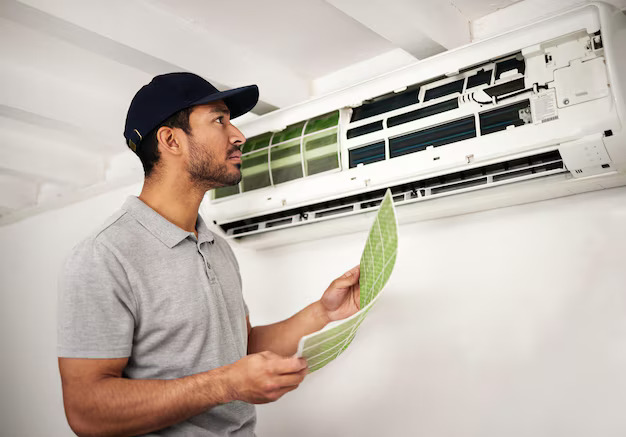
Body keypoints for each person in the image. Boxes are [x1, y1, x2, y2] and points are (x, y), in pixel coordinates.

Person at [57, 72, 361, 436]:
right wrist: (226, 385)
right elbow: (86, 411)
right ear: (171, 140)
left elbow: (238, 350)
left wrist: (322, 312)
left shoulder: (217, 247)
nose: (238, 135)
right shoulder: (104, 256)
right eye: (220, 120)